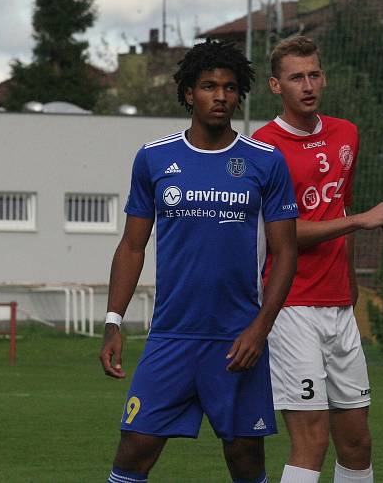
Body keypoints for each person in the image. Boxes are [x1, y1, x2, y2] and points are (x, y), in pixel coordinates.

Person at [99, 39, 299, 483]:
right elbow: (132, 247)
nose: (221, 96)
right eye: (209, 86)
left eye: (229, 87)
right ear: (189, 93)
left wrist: (259, 329)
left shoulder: (265, 162)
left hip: (237, 338)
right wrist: (114, 321)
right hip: (172, 336)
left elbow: (286, 253)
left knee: (246, 458)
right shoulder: (154, 158)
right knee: (133, 449)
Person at [252, 36, 383, 483]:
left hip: (337, 306)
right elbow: (282, 235)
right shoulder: (263, 147)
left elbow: (339, 204)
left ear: (325, 78)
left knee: (357, 441)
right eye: (296, 77)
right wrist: (359, 221)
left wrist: (350, 283)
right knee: (311, 441)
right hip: (291, 305)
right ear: (276, 86)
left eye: (314, 74)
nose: (308, 84)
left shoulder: (346, 134)